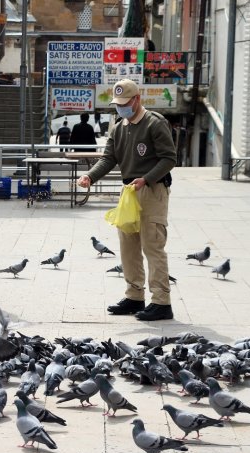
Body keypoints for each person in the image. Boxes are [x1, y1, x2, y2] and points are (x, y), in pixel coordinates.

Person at [76, 79, 176, 321]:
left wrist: (147, 179)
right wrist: (90, 176)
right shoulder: (118, 127)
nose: (121, 108)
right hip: (128, 191)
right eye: (117, 104)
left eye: (125, 103)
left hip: (152, 190)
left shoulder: (155, 123)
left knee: (152, 245)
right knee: (128, 246)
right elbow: (108, 158)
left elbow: (169, 158)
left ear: (137, 99)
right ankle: (134, 296)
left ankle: (161, 302)